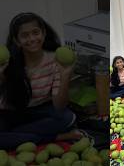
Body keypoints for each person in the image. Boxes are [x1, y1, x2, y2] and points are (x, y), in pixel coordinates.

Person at [0, 12, 81, 149]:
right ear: (16, 40)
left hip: (41, 111)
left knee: (67, 118)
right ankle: (54, 137)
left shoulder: (55, 60)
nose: (31, 39)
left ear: (43, 33)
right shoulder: (8, 62)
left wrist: (65, 75)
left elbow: (59, 106)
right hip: (11, 113)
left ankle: (17, 136)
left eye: (35, 32)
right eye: (24, 35)